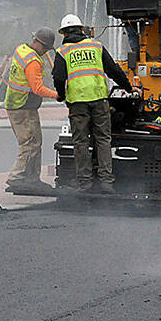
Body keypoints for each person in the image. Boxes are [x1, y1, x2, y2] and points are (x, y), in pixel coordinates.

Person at [52, 13, 133, 193]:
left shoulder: (63, 52)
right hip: (99, 100)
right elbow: (114, 70)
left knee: (80, 142)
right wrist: (128, 88)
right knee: (103, 139)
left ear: (63, 33)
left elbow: (58, 77)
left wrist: (61, 95)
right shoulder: (96, 46)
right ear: (82, 30)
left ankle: (85, 183)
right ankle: (106, 181)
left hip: (78, 103)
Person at [3, 28, 59, 196]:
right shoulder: (32, 61)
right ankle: (17, 177)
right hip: (22, 106)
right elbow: (37, 88)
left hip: (20, 103)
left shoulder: (21, 49)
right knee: (29, 143)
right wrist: (56, 95)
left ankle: (32, 179)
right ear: (40, 44)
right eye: (46, 49)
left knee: (36, 142)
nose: (46, 52)